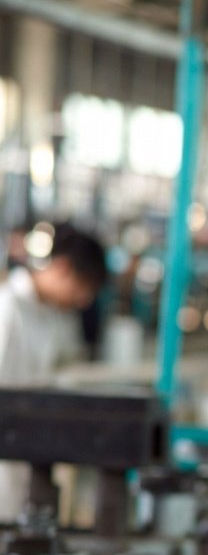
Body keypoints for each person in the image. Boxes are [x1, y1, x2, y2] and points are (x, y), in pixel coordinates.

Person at [0, 223, 108, 521]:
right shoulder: (7, 309)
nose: (84, 300)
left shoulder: (53, 316)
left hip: (26, 464)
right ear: (61, 268)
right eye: (83, 287)